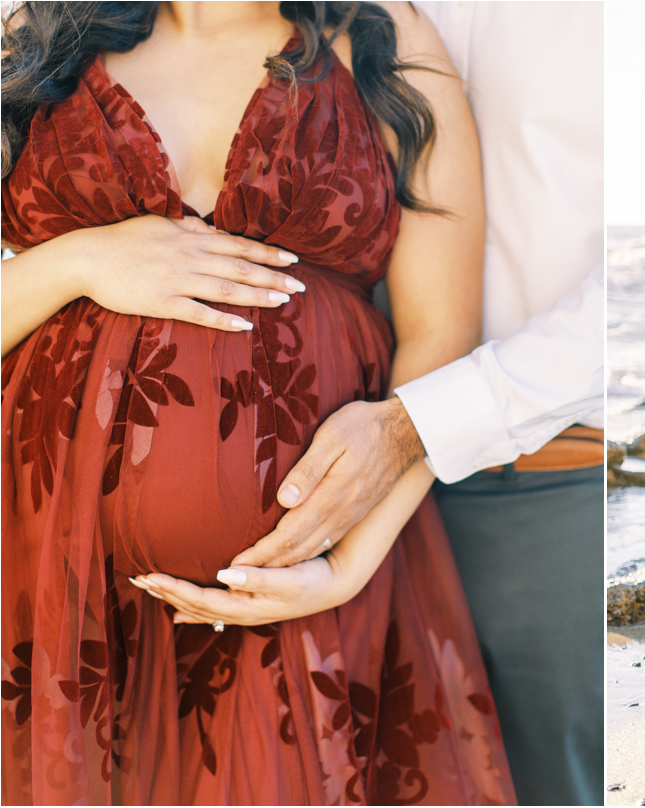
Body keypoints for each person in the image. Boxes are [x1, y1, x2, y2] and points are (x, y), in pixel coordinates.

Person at [0, 2, 515, 803]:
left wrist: (346, 564)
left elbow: (441, 333)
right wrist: (77, 261)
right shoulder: (34, 43)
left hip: (311, 580)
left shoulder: (382, 38)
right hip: (50, 569)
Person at [139, 3, 606, 804]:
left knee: (538, 776)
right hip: (289, 497)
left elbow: (620, 291)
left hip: (533, 469)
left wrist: (417, 426)